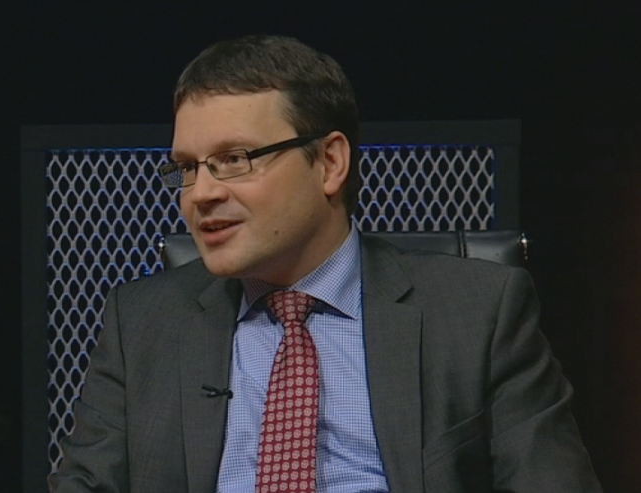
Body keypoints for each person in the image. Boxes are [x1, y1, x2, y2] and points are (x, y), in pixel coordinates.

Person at [49, 35, 602, 492]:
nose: (201, 194)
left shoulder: (480, 314)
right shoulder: (141, 323)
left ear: (330, 163)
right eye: (187, 168)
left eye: (234, 159)